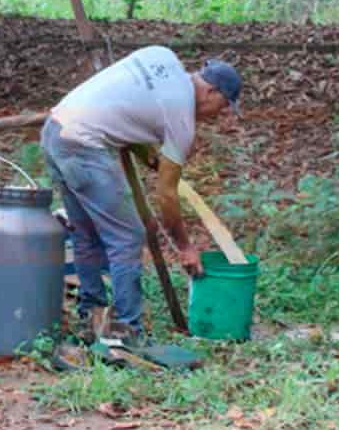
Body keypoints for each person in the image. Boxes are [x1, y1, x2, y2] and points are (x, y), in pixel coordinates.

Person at [40, 47, 242, 343]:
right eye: (223, 106)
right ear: (210, 91)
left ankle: (91, 315)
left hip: (55, 132)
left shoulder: (161, 56)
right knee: (128, 237)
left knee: (86, 233)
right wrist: (184, 247)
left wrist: (148, 153)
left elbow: (127, 107)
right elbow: (167, 196)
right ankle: (127, 330)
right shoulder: (182, 119)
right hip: (84, 147)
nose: (218, 115)